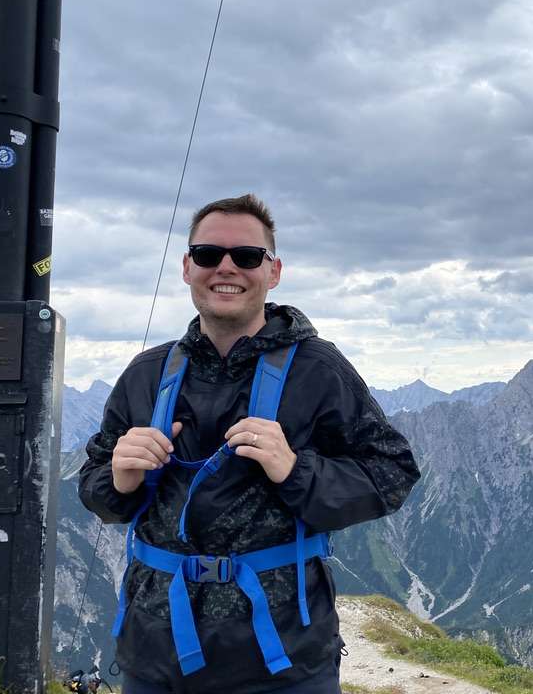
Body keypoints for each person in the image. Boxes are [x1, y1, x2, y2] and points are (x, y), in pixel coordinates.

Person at [78, 194, 420, 694]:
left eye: (247, 256)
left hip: (282, 663)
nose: (226, 268)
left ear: (273, 271)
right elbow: (96, 487)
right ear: (187, 267)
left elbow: (393, 473)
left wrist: (295, 468)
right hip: (157, 656)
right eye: (209, 254)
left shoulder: (318, 370)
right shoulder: (146, 374)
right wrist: (118, 477)